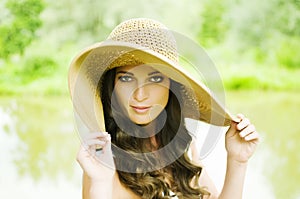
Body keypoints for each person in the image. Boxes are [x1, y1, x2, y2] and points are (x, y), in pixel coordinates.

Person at [68, 18, 260, 199]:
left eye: (155, 78)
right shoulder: (103, 158)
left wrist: (237, 161)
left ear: (172, 86)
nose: (140, 95)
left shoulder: (180, 146)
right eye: (126, 78)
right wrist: (100, 183)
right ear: (111, 87)